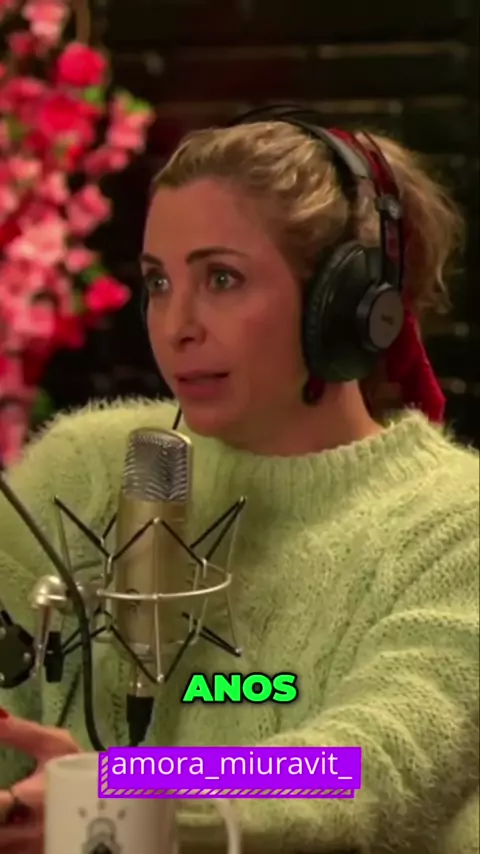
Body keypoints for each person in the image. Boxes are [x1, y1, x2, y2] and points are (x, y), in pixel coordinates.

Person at [0, 104, 479, 854]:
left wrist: (115, 798)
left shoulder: (455, 524)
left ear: (344, 305)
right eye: (159, 282)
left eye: (222, 278)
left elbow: (363, 769)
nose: (176, 325)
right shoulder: (83, 468)